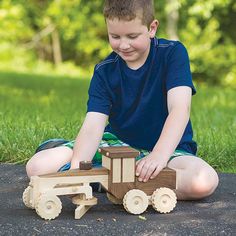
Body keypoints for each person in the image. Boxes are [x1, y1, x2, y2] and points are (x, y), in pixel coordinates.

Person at [26, 0, 219, 200]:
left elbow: (180, 109)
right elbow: (93, 125)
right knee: (37, 167)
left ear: (152, 28)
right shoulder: (104, 71)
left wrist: (158, 156)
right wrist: (77, 171)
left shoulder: (173, 53)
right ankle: (121, 183)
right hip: (117, 147)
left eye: (132, 36)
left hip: (169, 151)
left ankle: (109, 183)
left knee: (203, 181)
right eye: (115, 36)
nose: (123, 45)